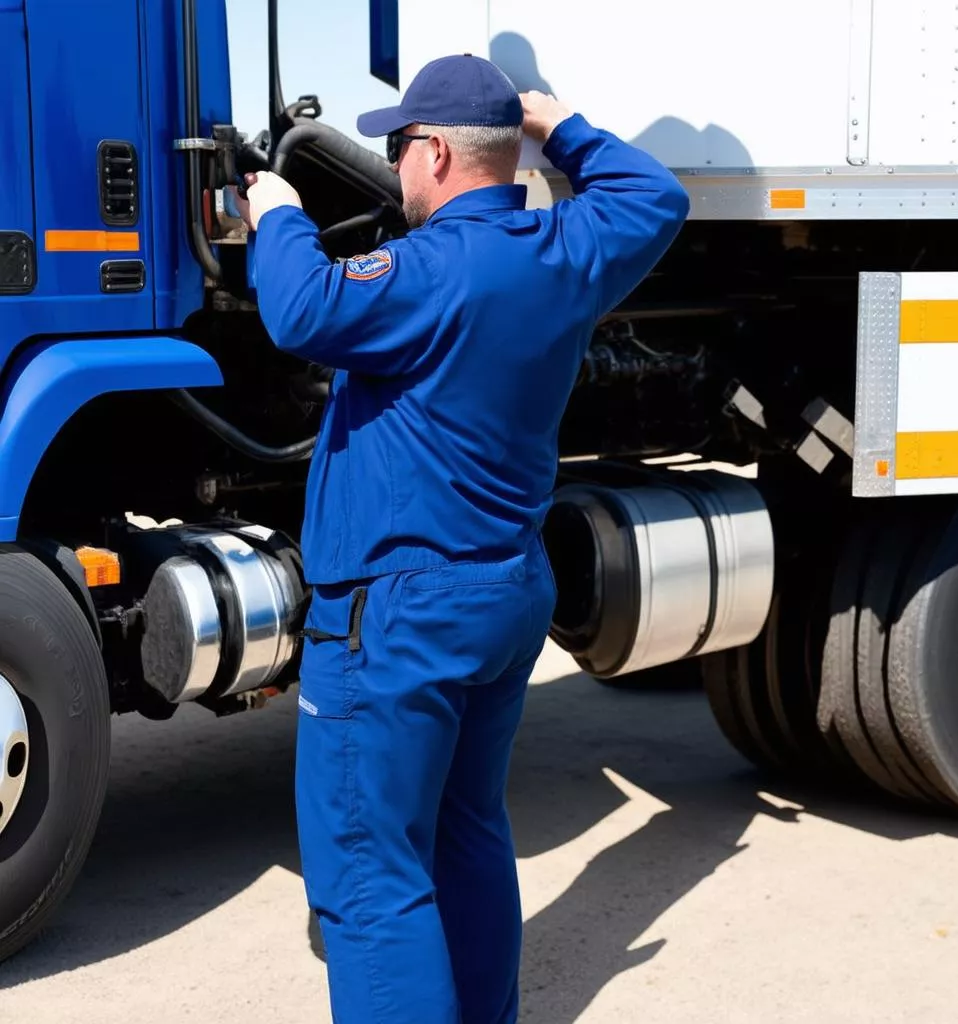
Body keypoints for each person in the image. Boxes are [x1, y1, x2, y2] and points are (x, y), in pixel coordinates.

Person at [233, 53, 689, 1024]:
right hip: (499, 592)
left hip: (399, 611)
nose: (394, 167)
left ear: (436, 152)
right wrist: (555, 124)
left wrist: (274, 209)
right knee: (465, 829)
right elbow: (654, 195)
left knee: (368, 870)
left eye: (400, 146)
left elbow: (300, 305)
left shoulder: (427, 270)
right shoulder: (562, 253)